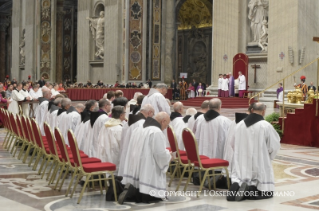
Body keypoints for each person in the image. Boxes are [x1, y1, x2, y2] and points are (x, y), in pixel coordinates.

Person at [229, 102, 280, 201]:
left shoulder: (239, 124)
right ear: (264, 111)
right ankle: (250, 190)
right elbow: (274, 146)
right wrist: (268, 156)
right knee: (263, 188)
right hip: (259, 159)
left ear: (252, 110)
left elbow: (232, 143)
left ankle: (237, 187)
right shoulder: (265, 126)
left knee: (241, 177)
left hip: (242, 159)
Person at [119, 112, 172, 204]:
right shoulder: (156, 132)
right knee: (149, 178)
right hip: (148, 163)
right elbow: (160, 154)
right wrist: (169, 155)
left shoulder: (139, 128)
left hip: (137, 161)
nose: (165, 128)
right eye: (166, 125)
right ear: (163, 121)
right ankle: (149, 195)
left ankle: (134, 193)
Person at [118, 104, 154, 177]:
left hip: (127, 150)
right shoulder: (142, 124)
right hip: (135, 154)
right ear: (149, 112)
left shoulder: (129, 122)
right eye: (153, 114)